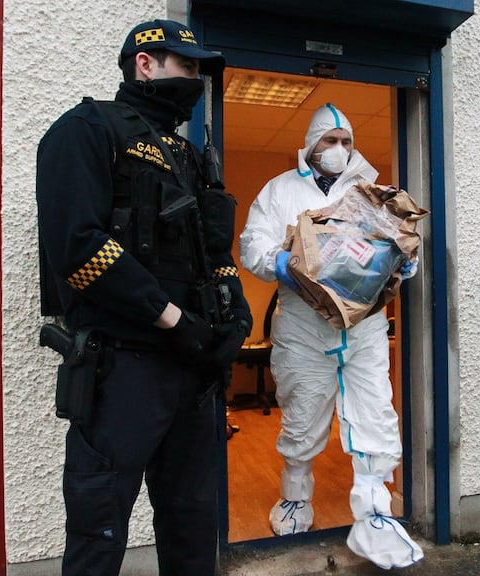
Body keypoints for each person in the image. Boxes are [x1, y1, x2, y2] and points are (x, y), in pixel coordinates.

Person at [35, 19, 251, 576]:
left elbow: (213, 251)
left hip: (194, 376)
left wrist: (233, 311)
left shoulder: (191, 155)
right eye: (186, 65)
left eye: (201, 69)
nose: (196, 78)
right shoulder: (87, 130)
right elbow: (78, 249)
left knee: (193, 530)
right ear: (146, 64)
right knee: (98, 534)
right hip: (121, 374)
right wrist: (173, 319)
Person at [238, 103, 423, 569]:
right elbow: (251, 245)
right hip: (303, 326)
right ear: (310, 145)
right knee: (302, 414)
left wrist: (405, 261)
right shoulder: (280, 191)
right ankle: (296, 499)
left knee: (375, 411)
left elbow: (400, 248)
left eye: (347, 142)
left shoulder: (372, 193)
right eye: (330, 141)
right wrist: (279, 261)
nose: (339, 149)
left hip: (363, 329)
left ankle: (375, 512)